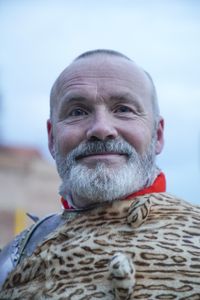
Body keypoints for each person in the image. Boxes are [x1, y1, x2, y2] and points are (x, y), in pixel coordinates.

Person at [0, 49, 200, 299]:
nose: (101, 129)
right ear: (52, 138)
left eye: (124, 109)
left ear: (157, 134)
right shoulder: (14, 259)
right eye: (77, 112)